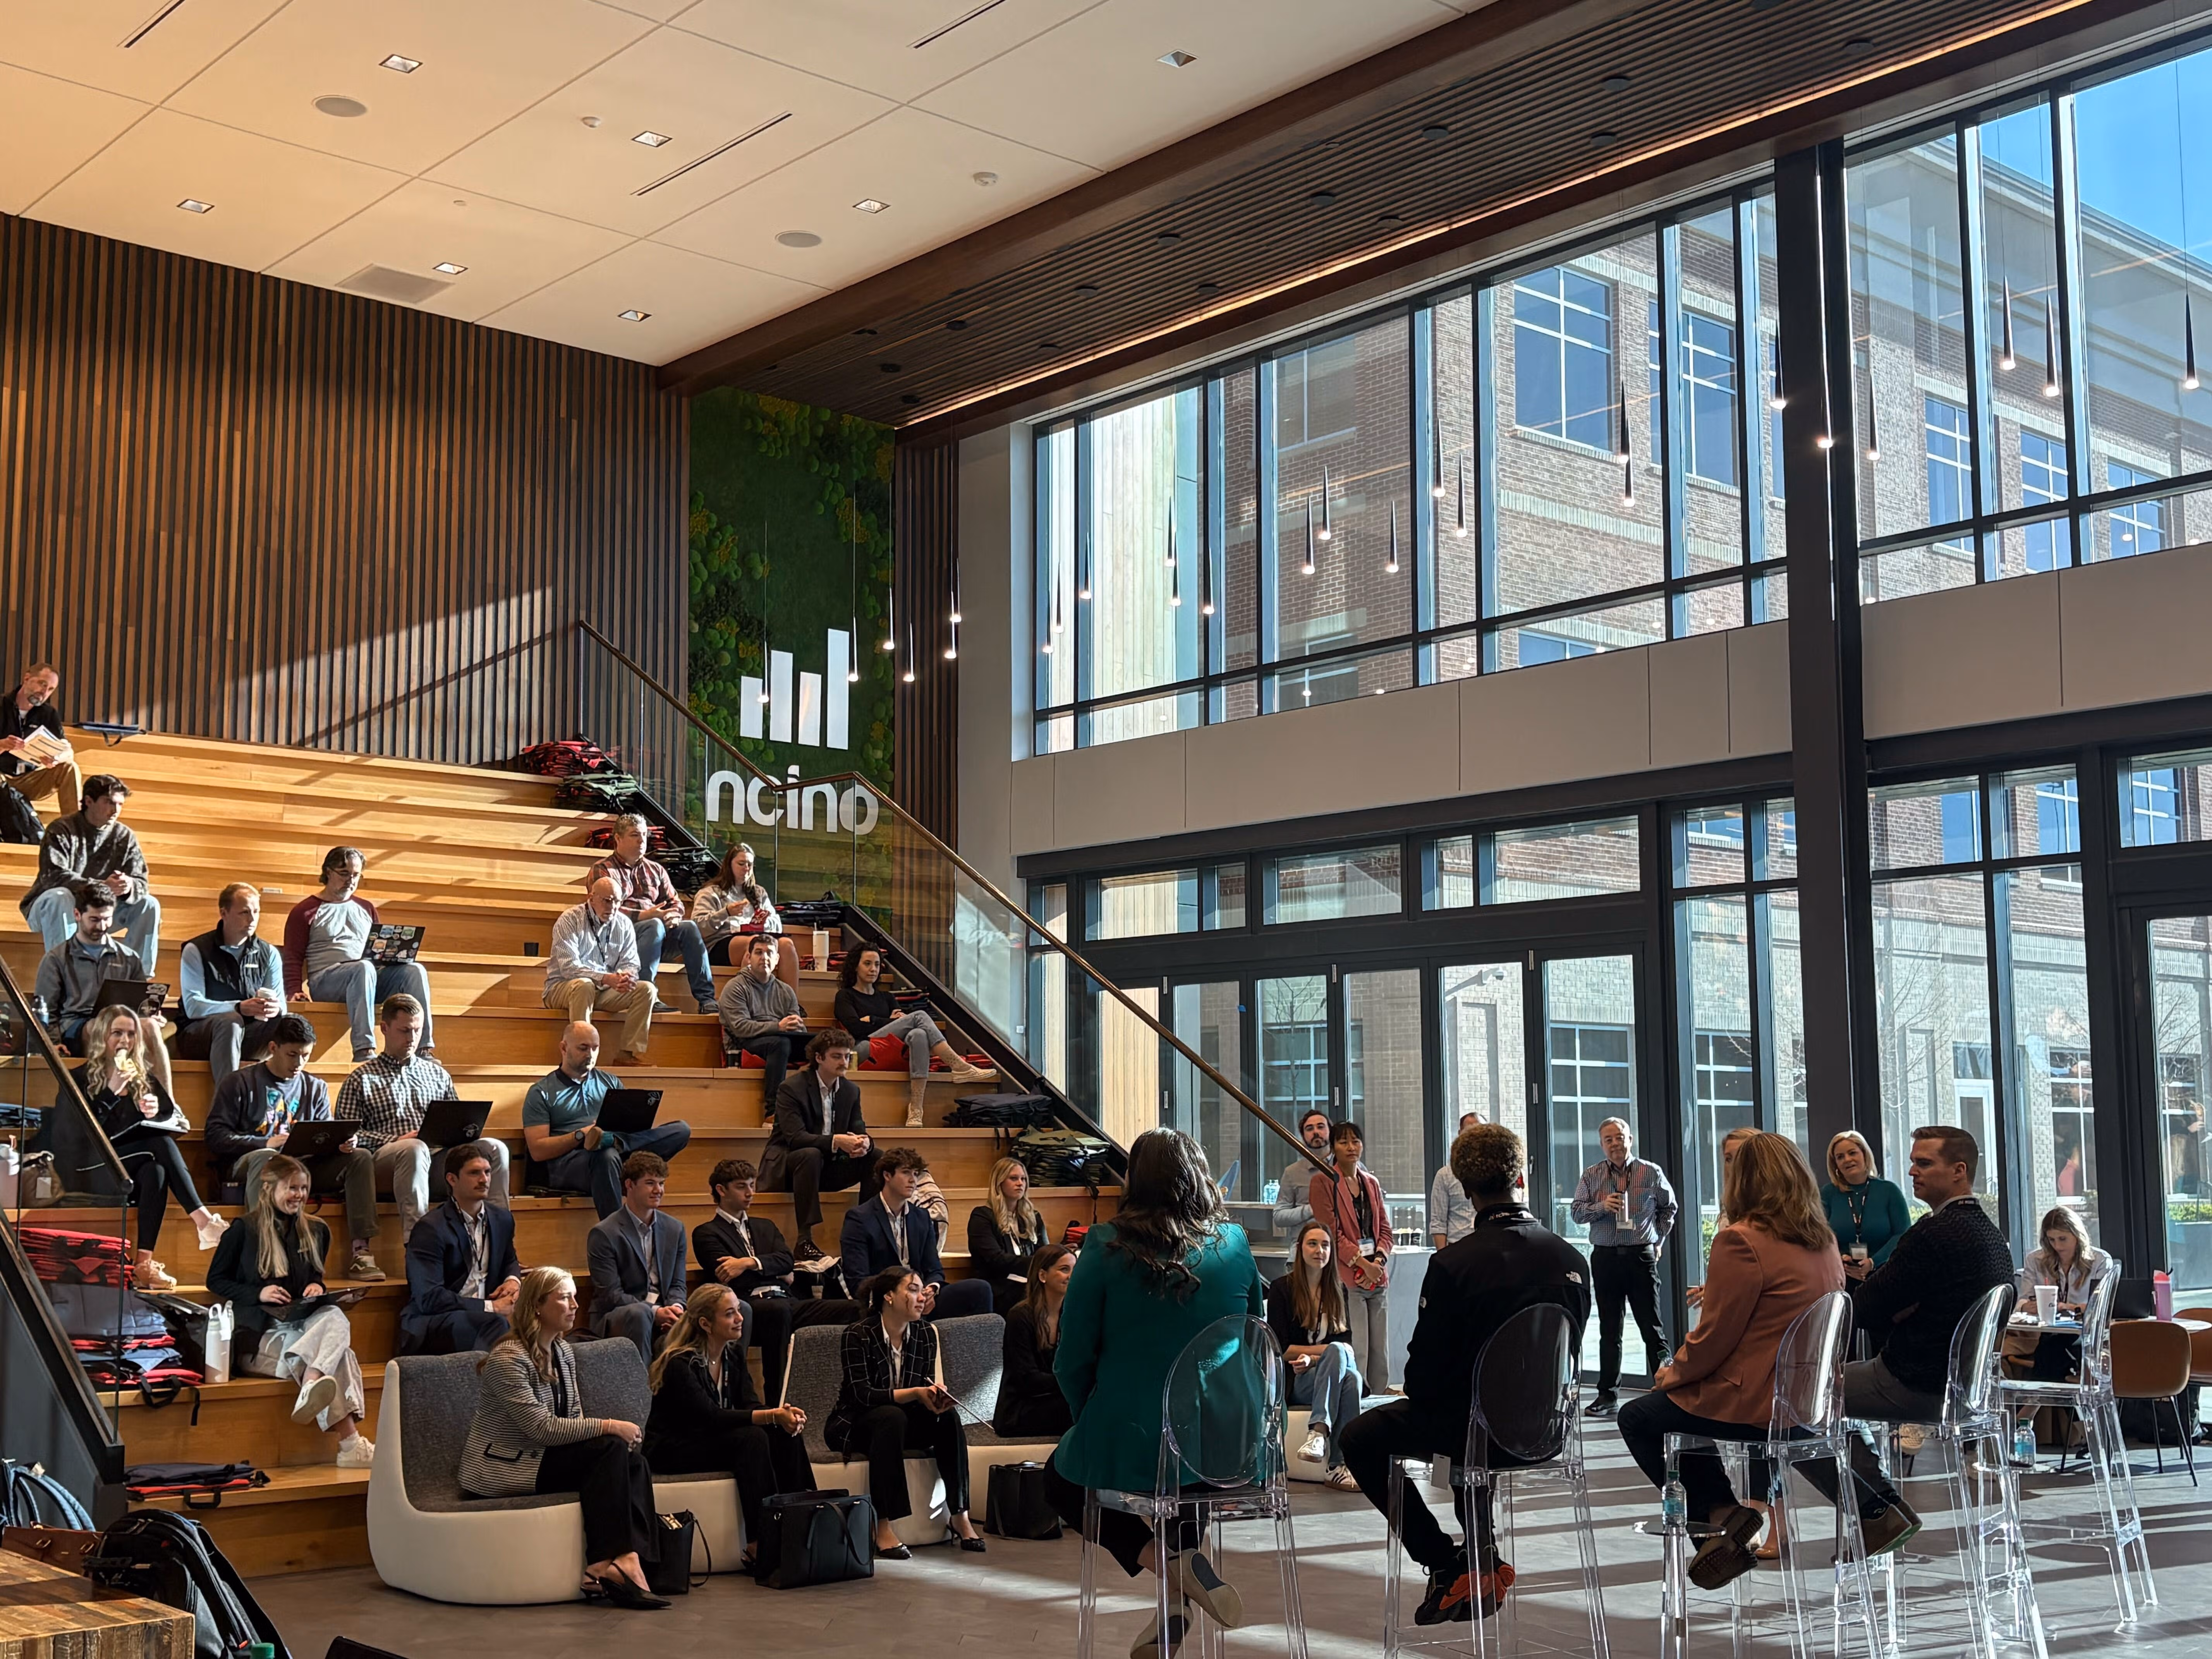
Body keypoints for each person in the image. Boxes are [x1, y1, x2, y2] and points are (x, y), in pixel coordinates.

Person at [1340, 1121, 1590, 1627]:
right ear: (1520, 1176)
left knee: (1362, 1436)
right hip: (1548, 1432)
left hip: (1474, 1431)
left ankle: (1444, 1561)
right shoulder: (1572, 1259)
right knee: (1472, 1417)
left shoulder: (1456, 1264)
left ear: (1463, 1185)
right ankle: (1481, 1557)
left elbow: (1424, 1377)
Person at [1048, 1128, 1261, 1656]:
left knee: (1060, 1482)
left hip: (1137, 1429)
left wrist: (1089, 1421)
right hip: (1232, 1441)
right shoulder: (1234, 1244)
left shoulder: (1102, 1246)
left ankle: (1168, 1567)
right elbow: (1256, 1332)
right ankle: (1178, 1592)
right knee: (1193, 1471)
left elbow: (1072, 1357)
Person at [1616, 1132, 1844, 1590]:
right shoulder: (1823, 1242)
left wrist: (1671, 1372)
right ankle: (1729, 1518)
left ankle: (1719, 1516)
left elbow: (1714, 1337)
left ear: (1742, 1179)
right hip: (1807, 1401)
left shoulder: (1740, 1241)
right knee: (1683, 1406)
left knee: (1641, 1416)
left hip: (1757, 1401)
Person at [1793, 1125, 2016, 1558]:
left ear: (1959, 1171)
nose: (1913, 1170)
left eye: (1925, 1163)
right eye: (1913, 1162)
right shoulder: (1990, 1235)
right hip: (1968, 1390)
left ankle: (1878, 1510)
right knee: (1823, 1394)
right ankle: (1879, 1506)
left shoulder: (1934, 1234)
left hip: (1915, 1382)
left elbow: (1868, 1309)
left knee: (1792, 1399)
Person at [460, 1266, 668, 1610]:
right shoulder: (507, 1358)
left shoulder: (563, 1351)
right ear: (538, 1306)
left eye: (574, 1296)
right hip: (506, 1466)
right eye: (565, 1297)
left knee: (633, 1460)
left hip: (543, 1457)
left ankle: (637, 1561)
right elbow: (541, 1428)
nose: (575, 1304)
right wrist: (611, 1425)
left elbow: (572, 1419)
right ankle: (609, 1565)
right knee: (610, 1446)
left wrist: (605, 1433)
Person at [206, 1153, 374, 1467]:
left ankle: (312, 1382)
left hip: (300, 1327)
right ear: (269, 1189)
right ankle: (351, 1445)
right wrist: (259, 1292)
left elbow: (313, 1275)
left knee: (335, 1315)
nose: (299, 1195)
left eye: (304, 1188)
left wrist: (317, 1288)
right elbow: (215, 1280)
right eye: (292, 1188)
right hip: (259, 1336)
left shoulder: (316, 1230)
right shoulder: (243, 1230)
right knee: (342, 1355)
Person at [644, 1283, 814, 1570]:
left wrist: (782, 1416)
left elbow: (748, 1404)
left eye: (739, 1311)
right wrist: (771, 1415)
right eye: (730, 1314)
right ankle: (760, 1543)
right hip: (673, 1448)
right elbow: (709, 1417)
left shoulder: (732, 1355)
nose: (740, 1319)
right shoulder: (680, 1363)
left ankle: (808, 1523)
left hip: (712, 1440)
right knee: (752, 1438)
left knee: (784, 1434)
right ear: (706, 1324)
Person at [826, 1265, 987, 1559]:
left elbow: (922, 1382)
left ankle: (960, 1514)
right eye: (913, 1289)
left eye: (923, 1290)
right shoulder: (857, 1334)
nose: (922, 1297)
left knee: (948, 1417)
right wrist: (914, 1394)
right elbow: (862, 1395)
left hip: (901, 1422)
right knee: (891, 1417)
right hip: (857, 1422)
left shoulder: (926, 1333)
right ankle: (884, 1524)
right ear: (888, 1296)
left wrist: (935, 1398)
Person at [205, 1012, 381, 1281]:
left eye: (306, 1055)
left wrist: (342, 1144)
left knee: (360, 1157)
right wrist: (267, 1142)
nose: (300, 1063)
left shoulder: (316, 1087)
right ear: (273, 1048)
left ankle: (361, 1253)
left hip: (303, 1166)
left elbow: (324, 1135)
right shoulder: (239, 1082)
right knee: (267, 1157)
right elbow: (215, 1137)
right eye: (293, 1054)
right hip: (252, 1162)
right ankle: (262, 1250)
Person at [338, 992, 510, 1243]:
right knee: (414, 1148)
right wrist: (397, 1139)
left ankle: (498, 1241)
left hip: (437, 1159)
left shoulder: (437, 1075)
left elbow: (457, 1121)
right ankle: (419, 1246)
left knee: (496, 1149)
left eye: (417, 1031)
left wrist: (467, 1130)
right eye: (405, 1031)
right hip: (388, 1163)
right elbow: (349, 1137)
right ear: (384, 1028)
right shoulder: (361, 1079)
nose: (412, 1039)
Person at [77, 1005, 226, 1289]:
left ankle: (143, 1264)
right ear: (101, 1038)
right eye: (116, 1033)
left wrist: (155, 1111)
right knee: (157, 1145)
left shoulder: (141, 1077)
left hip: (132, 1164)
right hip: (91, 1165)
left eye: (132, 1034)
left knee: (155, 1171)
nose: (125, 1041)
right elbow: (80, 1134)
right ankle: (205, 1221)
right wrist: (110, 1092)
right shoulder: (79, 1078)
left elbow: (170, 1122)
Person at [692, 1157, 857, 1403]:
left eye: (752, 1185)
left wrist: (748, 1263)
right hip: (749, 1307)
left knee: (856, 1309)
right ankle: (777, 1402)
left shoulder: (765, 1226)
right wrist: (772, 1268)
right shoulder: (706, 1232)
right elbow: (730, 1277)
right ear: (721, 1190)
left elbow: (787, 1261)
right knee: (777, 1311)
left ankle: (842, 1395)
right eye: (741, 1186)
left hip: (787, 1301)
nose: (750, 1193)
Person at [521, 1020, 692, 1219]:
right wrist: (581, 1135)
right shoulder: (541, 1092)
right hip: (571, 1163)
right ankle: (615, 1231)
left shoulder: (610, 1082)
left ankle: (616, 1142)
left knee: (681, 1130)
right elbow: (538, 1150)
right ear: (564, 1048)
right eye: (583, 1048)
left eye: (595, 1048)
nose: (591, 1054)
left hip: (618, 1153)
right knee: (606, 1155)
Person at [282, 846, 436, 1062]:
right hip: (328, 981)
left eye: (356, 875)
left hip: (368, 978)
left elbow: (378, 950)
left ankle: (423, 1048)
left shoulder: (367, 908)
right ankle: (364, 1049)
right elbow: (292, 956)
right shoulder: (305, 910)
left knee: (415, 970)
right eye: (344, 874)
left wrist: (395, 956)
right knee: (362, 968)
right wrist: (294, 990)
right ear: (328, 872)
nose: (351, 880)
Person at [1570, 1115, 1677, 1417]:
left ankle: (1667, 1390)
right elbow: (1577, 1213)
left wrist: (1657, 1241)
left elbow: (1669, 1208)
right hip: (1605, 1258)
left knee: (1652, 1327)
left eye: (1620, 1137)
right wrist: (1602, 1207)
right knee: (1609, 1329)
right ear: (1602, 1145)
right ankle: (1607, 1395)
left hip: (1640, 1256)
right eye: (1609, 1139)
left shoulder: (1650, 1172)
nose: (1615, 1144)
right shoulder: (1592, 1176)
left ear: (1630, 1139)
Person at [34, 881, 173, 1091]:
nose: (101, 926)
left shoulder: (129, 957)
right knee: (106, 1027)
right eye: (94, 920)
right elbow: (46, 1009)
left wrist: (149, 1015)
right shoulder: (56, 958)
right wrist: (52, 1042)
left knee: (149, 1026)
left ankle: (167, 1105)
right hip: (77, 1026)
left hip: (121, 1023)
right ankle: (121, 1092)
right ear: (77, 915)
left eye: (107, 919)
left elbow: (138, 1002)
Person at [833, 946, 990, 1126]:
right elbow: (857, 1029)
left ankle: (916, 1109)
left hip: (895, 1050)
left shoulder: (887, 998)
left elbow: (902, 1025)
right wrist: (888, 1021)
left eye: (877, 964)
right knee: (919, 1016)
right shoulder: (845, 996)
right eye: (867, 964)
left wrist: (874, 1019)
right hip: (863, 1050)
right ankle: (958, 1065)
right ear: (856, 966)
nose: (873, 969)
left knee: (918, 1034)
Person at [21, 774, 161, 970]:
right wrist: (101, 886)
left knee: (149, 904)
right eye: (109, 803)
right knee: (60, 897)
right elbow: (53, 876)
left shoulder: (125, 836)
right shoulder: (61, 829)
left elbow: (142, 883)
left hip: (101, 913)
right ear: (89, 801)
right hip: (52, 910)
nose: (116, 810)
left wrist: (128, 886)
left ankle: (138, 978)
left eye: (120, 804)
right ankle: (66, 974)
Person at [759, 1026, 874, 1262]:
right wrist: (837, 1141)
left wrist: (865, 1144)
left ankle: (867, 1232)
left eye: (846, 1056)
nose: (844, 1062)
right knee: (810, 1154)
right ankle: (804, 1240)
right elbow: (795, 1138)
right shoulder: (791, 1088)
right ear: (819, 1058)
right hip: (790, 1165)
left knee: (877, 1158)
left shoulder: (851, 1091)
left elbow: (859, 1128)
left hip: (826, 1167)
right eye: (837, 1056)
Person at [840, 1146, 994, 1319]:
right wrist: (904, 1293)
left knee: (980, 1289)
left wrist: (932, 1289)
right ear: (887, 1176)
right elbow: (858, 1281)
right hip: (886, 1301)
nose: (913, 1180)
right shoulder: (860, 1218)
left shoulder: (922, 1217)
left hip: (921, 1296)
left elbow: (934, 1269)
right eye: (906, 1173)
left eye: (915, 1174)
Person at [1270, 1218, 1365, 1491]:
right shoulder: (1282, 1289)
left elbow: (1346, 1344)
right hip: (1299, 1380)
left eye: (1325, 1245)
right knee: (1338, 1356)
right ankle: (1336, 1461)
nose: (1319, 1251)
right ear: (1300, 1249)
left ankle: (1323, 1443)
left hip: (1328, 1373)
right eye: (1313, 1244)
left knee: (1353, 1380)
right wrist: (1317, 1357)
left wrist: (1315, 1358)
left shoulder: (1338, 1289)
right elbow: (1281, 1347)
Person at [588, 815, 718, 1015]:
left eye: (644, 836)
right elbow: (602, 908)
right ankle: (647, 994)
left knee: (689, 927)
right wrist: (645, 916)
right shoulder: (603, 870)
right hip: (617, 938)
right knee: (654, 925)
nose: (642, 841)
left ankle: (707, 999)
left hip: (656, 937)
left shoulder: (656, 869)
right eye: (635, 836)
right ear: (618, 839)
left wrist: (673, 916)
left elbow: (677, 903)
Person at [400, 1144, 522, 1356]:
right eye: (474, 1173)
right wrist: (491, 1307)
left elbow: (509, 1259)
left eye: (487, 1172)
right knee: (495, 1324)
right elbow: (429, 1298)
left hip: (484, 1318)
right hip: (437, 1320)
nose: (484, 1180)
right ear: (452, 1179)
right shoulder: (430, 1228)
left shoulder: (502, 1219)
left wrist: (513, 1280)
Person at [1309, 1120, 1392, 1390]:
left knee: (1380, 1348)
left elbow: (1385, 1230)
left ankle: (1380, 1397)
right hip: (1348, 1276)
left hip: (1376, 1277)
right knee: (1359, 1347)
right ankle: (1359, 1398)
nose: (1351, 1147)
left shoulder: (1371, 1182)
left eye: (1356, 1141)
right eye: (1344, 1142)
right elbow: (1331, 1231)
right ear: (1333, 1147)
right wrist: (1361, 1264)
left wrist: (1377, 1263)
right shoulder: (1324, 1181)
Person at [176, 883, 288, 1086]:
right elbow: (193, 1006)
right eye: (244, 912)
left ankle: (282, 1098)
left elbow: (282, 1006)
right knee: (231, 1022)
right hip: (200, 1034)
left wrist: (273, 1008)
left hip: (250, 1034)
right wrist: (238, 1007)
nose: (252, 919)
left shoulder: (269, 953)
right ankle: (227, 1103)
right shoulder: (196, 950)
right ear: (224, 913)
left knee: (293, 1024)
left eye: (256, 912)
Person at [543, 877, 655, 1065]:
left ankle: (627, 1055)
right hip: (562, 988)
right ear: (591, 898)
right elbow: (569, 968)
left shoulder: (624, 924)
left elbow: (631, 963)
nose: (613, 906)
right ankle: (580, 1056)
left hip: (603, 992)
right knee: (584, 985)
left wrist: (626, 977)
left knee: (647, 990)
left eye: (618, 902)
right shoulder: (570, 919)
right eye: (607, 900)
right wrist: (605, 978)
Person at [587, 1151, 687, 1361]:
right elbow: (611, 1295)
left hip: (662, 1309)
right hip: (619, 1314)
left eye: (662, 1183)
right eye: (650, 1183)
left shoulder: (675, 1229)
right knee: (641, 1314)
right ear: (630, 1185)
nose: (658, 1190)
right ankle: (641, 1394)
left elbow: (678, 1285)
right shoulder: (605, 1233)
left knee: (722, 1308)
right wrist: (655, 1312)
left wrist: (676, 1308)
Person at [2004, 1206, 2114, 1379]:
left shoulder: (2099, 1261)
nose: (2057, 1246)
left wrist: (2068, 1307)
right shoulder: (2036, 1260)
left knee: (2051, 1349)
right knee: (2052, 1348)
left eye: (2063, 1239)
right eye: (2052, 1240)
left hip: (2083, 1333)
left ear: (2077, 1237)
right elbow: (2023, 1300)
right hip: (2045, 1331)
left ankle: (2036, 1404)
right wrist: (2027, 1307)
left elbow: (2102, 1307)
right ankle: (2050, 1403)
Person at [689, 843, 800, 988]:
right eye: (741, 864)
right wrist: (726, 913)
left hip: (756, 936)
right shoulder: (710, 893)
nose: (746, 869)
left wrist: (762, 923)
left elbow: (777, 924)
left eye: (750, 865)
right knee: (756, 944)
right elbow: (698, 926)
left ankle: (793, 1006)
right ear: (729, 865)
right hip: (721, 943)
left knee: (787, 945)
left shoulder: (759, 893)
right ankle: (748, 1001)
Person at [996, 1242, 1076, 1439]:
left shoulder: (1073, 1316)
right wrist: (1075, 1381)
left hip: (1054, 1400)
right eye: (1064, 1270)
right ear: (1043, 1276)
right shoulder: (1020, 1317)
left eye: (1076, 1270)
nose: (1072, 1276)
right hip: (1019, 1411)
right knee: (1080, 1410)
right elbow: (1028, 1380)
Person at [719, 933, 807, 1106]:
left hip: (781, 1040)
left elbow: (795, 1025)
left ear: (777, 960)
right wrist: (779, 1027)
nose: (764, 958)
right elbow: (740, 1028)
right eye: (759, 953)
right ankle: (772, 1110)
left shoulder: (786, 991)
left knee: (823, 1046)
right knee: (780, 1044)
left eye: (770, 953)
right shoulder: (735, 987)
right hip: (745, 1044)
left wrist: (798, 1028)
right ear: (748, 958)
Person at [1820, 1130, 1912, 1279]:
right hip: (1842, 1274)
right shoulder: (1828, 1194)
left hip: (1886, 1274)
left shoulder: (1889, 1191)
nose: (1847, 1160)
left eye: (1853, 1153)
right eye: (1840, 1157)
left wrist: (1873, 1262)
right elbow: (1821, 1234)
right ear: (1835, 1164)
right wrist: (1842, 1258)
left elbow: (1903, 1233)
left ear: (1865, 1155)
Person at [968, 1156, 1048, 1315]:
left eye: (1024, 1179)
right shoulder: (982, 1217)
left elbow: (1045, 1253)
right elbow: (995, 1260)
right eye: (1014, 1179)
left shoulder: (1033, 1217)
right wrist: (1035, 1263)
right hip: (1000, 1287)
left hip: (1030, 1282)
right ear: (999, 1183)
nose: (1021, 1184)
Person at [0, 661, 79, 821]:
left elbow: (67, 751)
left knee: (69, 767)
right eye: (42, 684)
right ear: (27, 678)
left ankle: (75, 833)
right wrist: (2, 745)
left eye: (50, 689)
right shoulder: (2, 705)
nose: (44, 692)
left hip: (31, 779)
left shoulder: (49, 714)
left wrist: (57, 759)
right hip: (2, 776)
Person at [1272, 1108, 1333, 1239]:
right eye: (1310, 1129)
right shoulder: (1292, 1172)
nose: (1316, 1132)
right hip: (1302, 1247)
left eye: (1321, 1127)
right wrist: (1312, 1209)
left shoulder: (1349, 1167)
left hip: (1341, 1247)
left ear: (1331, 1131)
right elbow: (1279, 1217)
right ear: (1303, 1136)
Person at [1429, 1112, 1484, 1249]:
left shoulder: (1495, 1171)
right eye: (1470, 1132)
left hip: (1489, 1248)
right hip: (1458, 1248)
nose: (1475, 1137)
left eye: (1480, 1131)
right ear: (1460, 1135)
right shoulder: (1445, 1175)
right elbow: (1438, 1223)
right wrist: (1443, 1259)